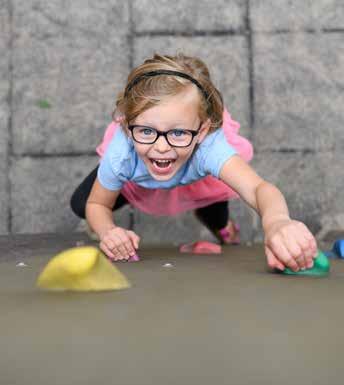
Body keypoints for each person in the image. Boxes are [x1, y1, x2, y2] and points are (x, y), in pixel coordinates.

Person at [70, 53, 317, 272]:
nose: (161, 147)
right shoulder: (121, 153)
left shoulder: (208, 148)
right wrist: (108, 231)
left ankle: (225, 229)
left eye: (178, 133)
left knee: (214, 214)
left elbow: (258, 189)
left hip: (197, 176)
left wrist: (277, 222)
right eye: (146, 131)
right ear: (125, 126)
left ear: (201, 132)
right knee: (82, 204)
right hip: (136, 177)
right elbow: (97, 203)